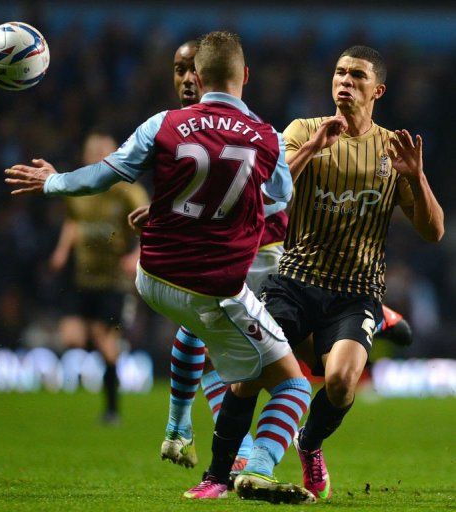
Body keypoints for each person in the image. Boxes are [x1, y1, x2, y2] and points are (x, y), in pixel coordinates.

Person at [5, 31, 315, 504]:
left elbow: (103, 175)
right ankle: (256, 466)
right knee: (292, 385)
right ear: (245, 76)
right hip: (216, 287)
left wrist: (52, 181)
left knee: (201, 336)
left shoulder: (163, 125)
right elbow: (279, 199)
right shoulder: (268, 138)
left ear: (198, 76)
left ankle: (178, 427)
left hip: (151, 278)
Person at [258, 45, 444, 500]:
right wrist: (314, 149)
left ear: (377, 89)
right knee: (256, 369)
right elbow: (268, 192)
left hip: (355, 291)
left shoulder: (392, 149)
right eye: (340, 73)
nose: (345, 81)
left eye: (357, 75)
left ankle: (309, 442)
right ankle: (237, 464)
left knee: (340, 384)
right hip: (296, 280)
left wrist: (416, 178)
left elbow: (433, 231)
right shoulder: (303, 130)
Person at [128, 40, 289, 481]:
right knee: (207, 337)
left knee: (277, 363)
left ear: (207, 74)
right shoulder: (179, 130)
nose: (184, 81)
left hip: (265, 254)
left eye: (190, 71)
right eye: (177, 70)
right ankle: (238, 452)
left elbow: (277, 183)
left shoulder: (251, 126)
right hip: (225, 263)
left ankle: (205, 436)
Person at [49, 131, 149, 423]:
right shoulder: (79, 190)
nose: (97, 156)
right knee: (71, 337)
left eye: (103, 151)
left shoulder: (126, 189)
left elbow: (152, 219)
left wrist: (137, 255)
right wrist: (61, 251)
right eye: (92, 151)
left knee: (106, 341)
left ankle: (112, 409)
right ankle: (105, 351)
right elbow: (72, 221)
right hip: (84, 277)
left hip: (115, 280)